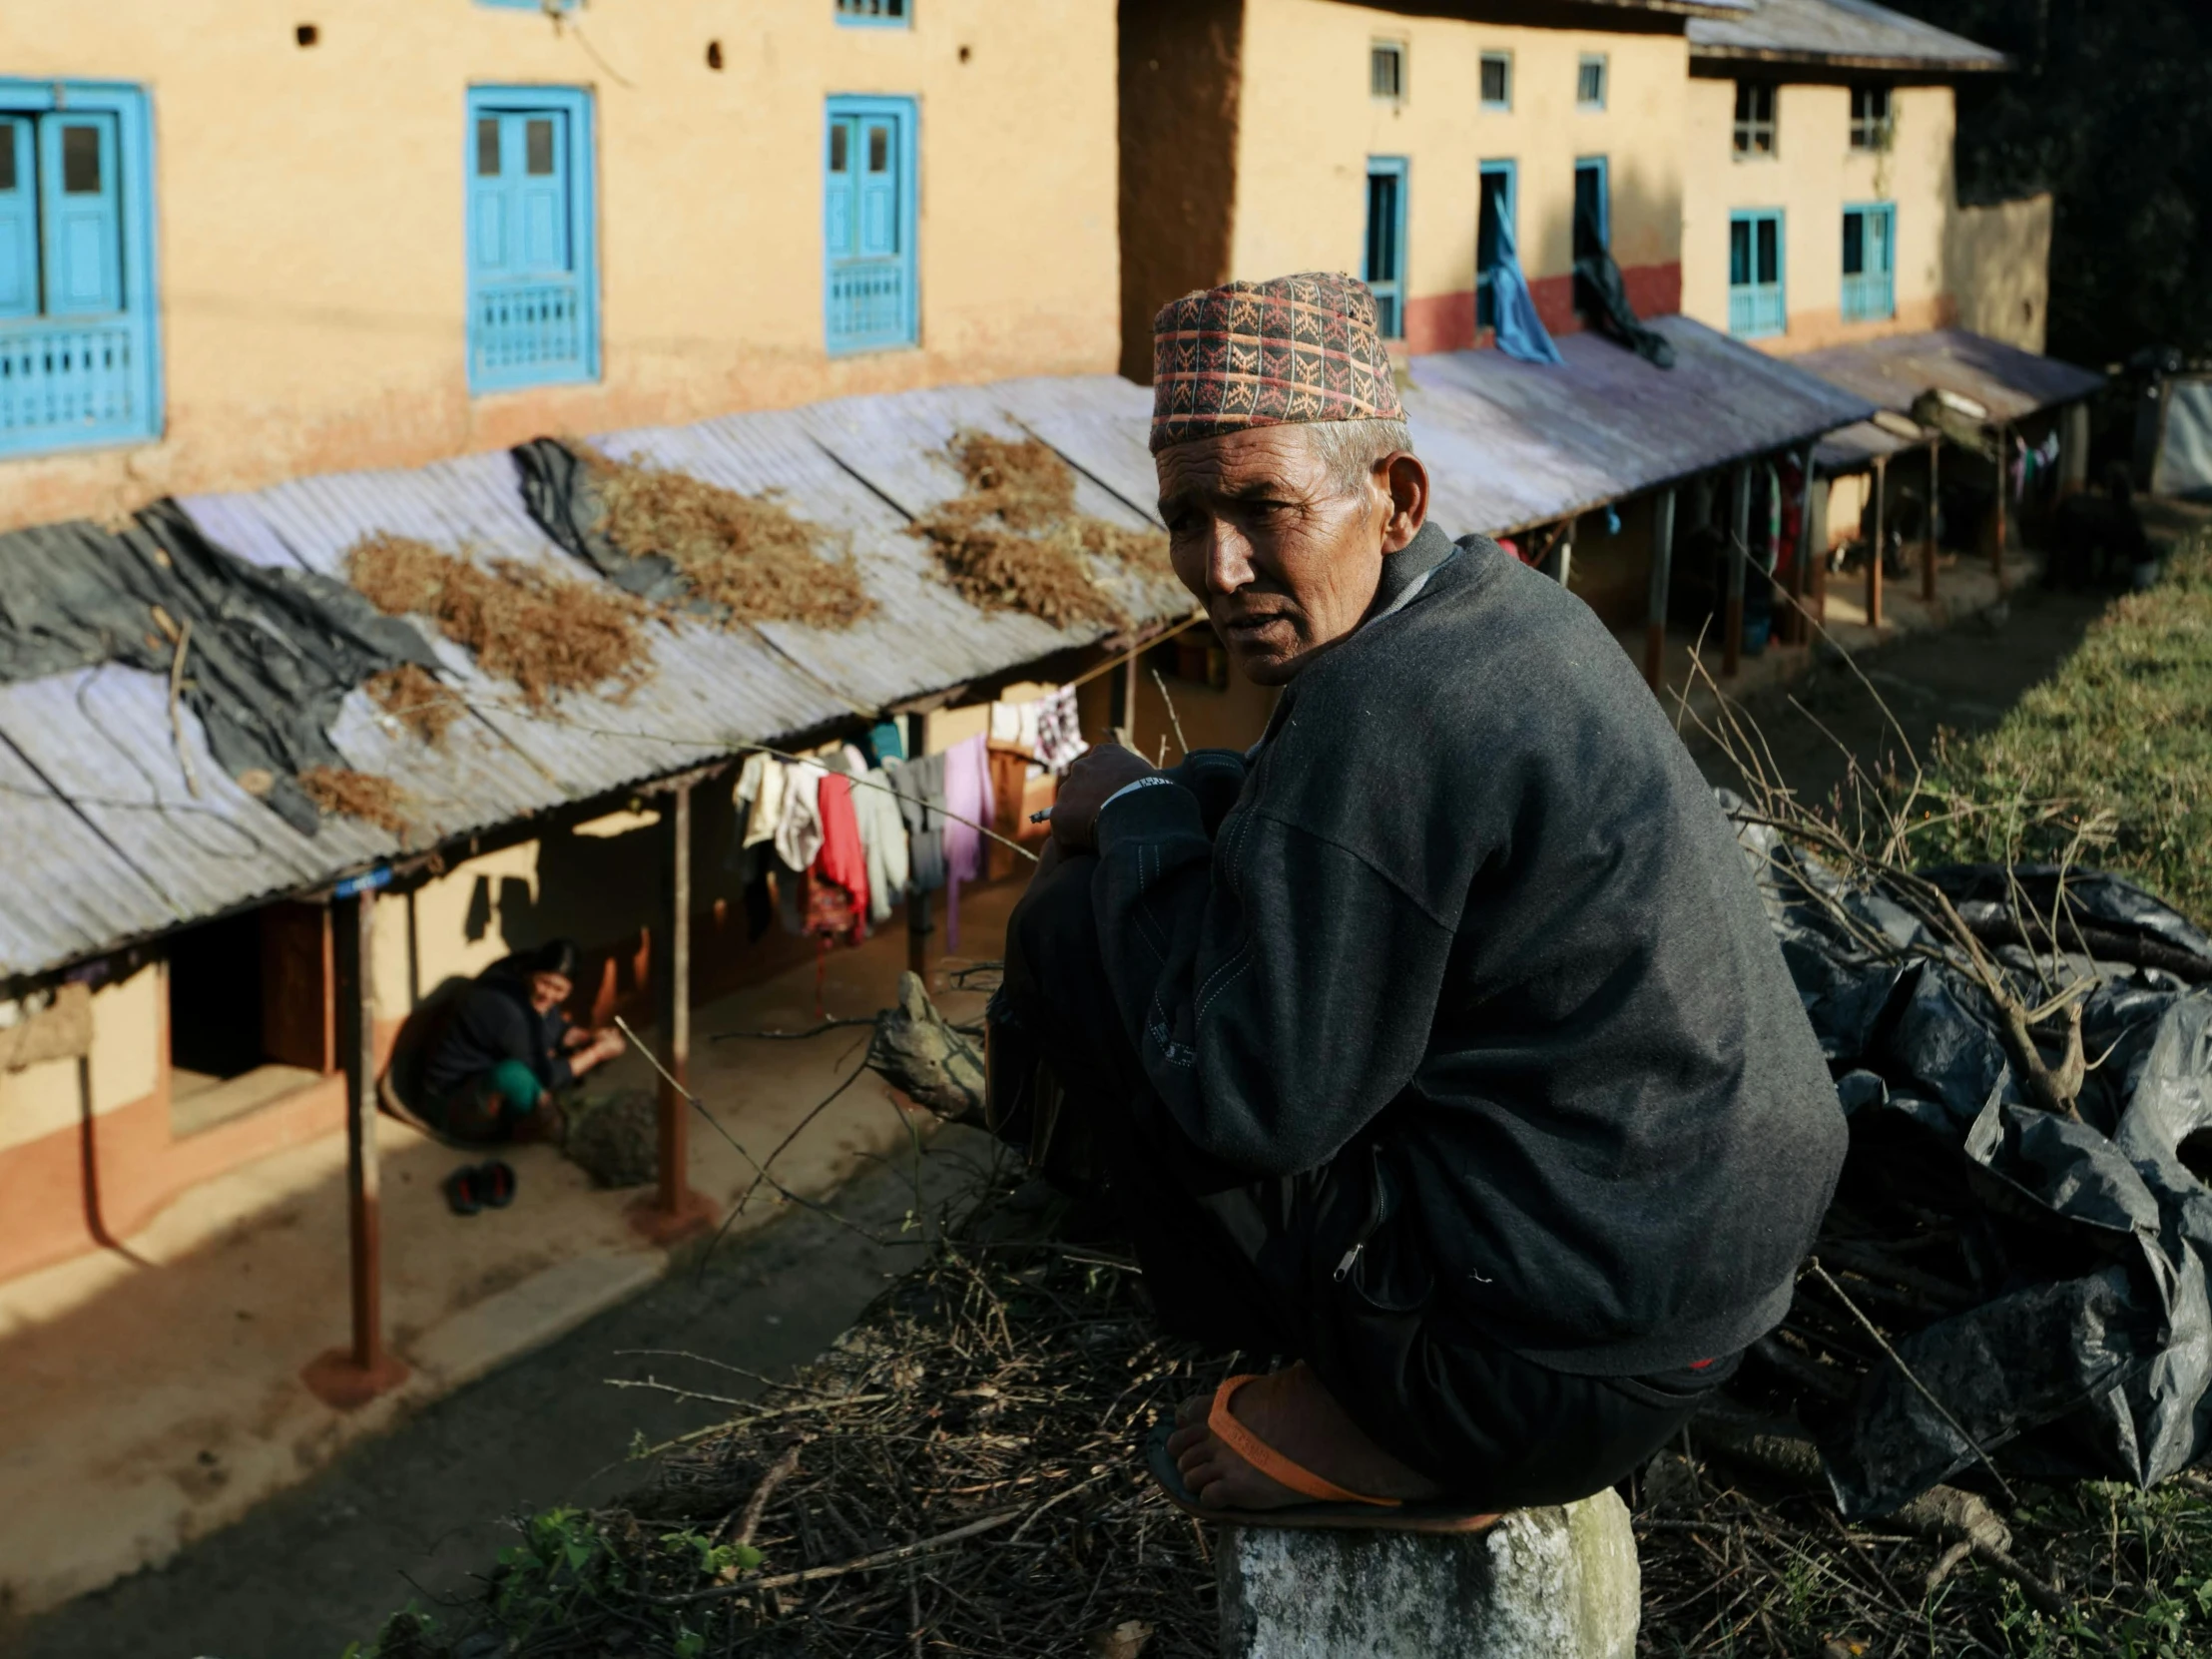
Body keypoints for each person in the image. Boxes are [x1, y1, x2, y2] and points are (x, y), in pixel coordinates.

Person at [987, 272, 1846, 1524]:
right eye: (1185, 516)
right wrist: (1179, 801)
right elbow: (1312, 815)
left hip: (1532, 1381)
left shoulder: (1375, 706)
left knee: (1075, 928)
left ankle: (1380, 1416)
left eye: (1261, 507)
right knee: (1182, 878)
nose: (1215, 568)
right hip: (1698, 1294)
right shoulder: (1496, 610)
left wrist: (1128, 815)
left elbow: (1249, 1109)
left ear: (1392, 497)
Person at [419, 938, 626, 1143]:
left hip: (483, 1071)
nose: (548, 994)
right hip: (450, 1099)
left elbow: (554, 1028)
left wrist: (589, 1037)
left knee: (560, 1064)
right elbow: (546, 1075)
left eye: (559, 990)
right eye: (545, 983)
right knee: (518, 1078)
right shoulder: (507, 1010)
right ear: (532, 973)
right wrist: (596, 1053)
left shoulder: (530, 989)